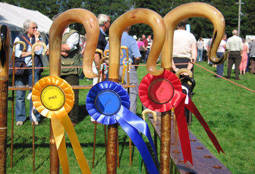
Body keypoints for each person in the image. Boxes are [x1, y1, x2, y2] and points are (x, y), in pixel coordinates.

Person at [105, 26, 141, 114]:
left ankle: (116, 114)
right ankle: (131, 115)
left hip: (113, 69)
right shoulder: (130, 39)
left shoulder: (112, 39)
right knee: (132, 92)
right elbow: (137, 56)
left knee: (115, 92)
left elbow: (105, 55)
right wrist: (135, 66)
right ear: (129, 28)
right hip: (127, 67)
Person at [14, 20, 43, 126]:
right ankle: (20, 118)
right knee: (20, 94)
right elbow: (17, 53)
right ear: (27, 29)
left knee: (34, 94)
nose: (36, 30)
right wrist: (31, 52)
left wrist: (36, 39)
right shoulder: (19, 38)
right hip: (21, 69)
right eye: (33, 28)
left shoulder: (39, 39)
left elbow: (40, 51)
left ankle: (34, 117)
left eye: (36, 27)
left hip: (34, 69)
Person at [172, 21, 197, 124]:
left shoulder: (171, 34)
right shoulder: (190, 35)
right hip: (186, 63)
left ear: (177, 25)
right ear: (185, 26)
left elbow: (167, 52)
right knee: (186, 91)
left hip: (173, 62)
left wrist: (174, 68)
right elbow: (194, 53)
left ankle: (172, 118)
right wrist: (189, 68)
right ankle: (186, 119)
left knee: (172, 91)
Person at [59, 25, 81, 126]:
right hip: (58, 68)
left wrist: (54, 46)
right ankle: (62, 116)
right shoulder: (57, 33)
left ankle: (73, 119)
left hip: (71, 69)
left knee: (72, 94)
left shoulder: (74, 33)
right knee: (60, 95)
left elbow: (67, 49)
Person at [92, 14, 111, 85]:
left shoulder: (99, 34)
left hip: (100, 64)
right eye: (109, 22)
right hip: (99, 65)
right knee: (98, 86)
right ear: (105, 23)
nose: (110, 24)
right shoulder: (99, 35)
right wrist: (100, 69)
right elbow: (96, 54)